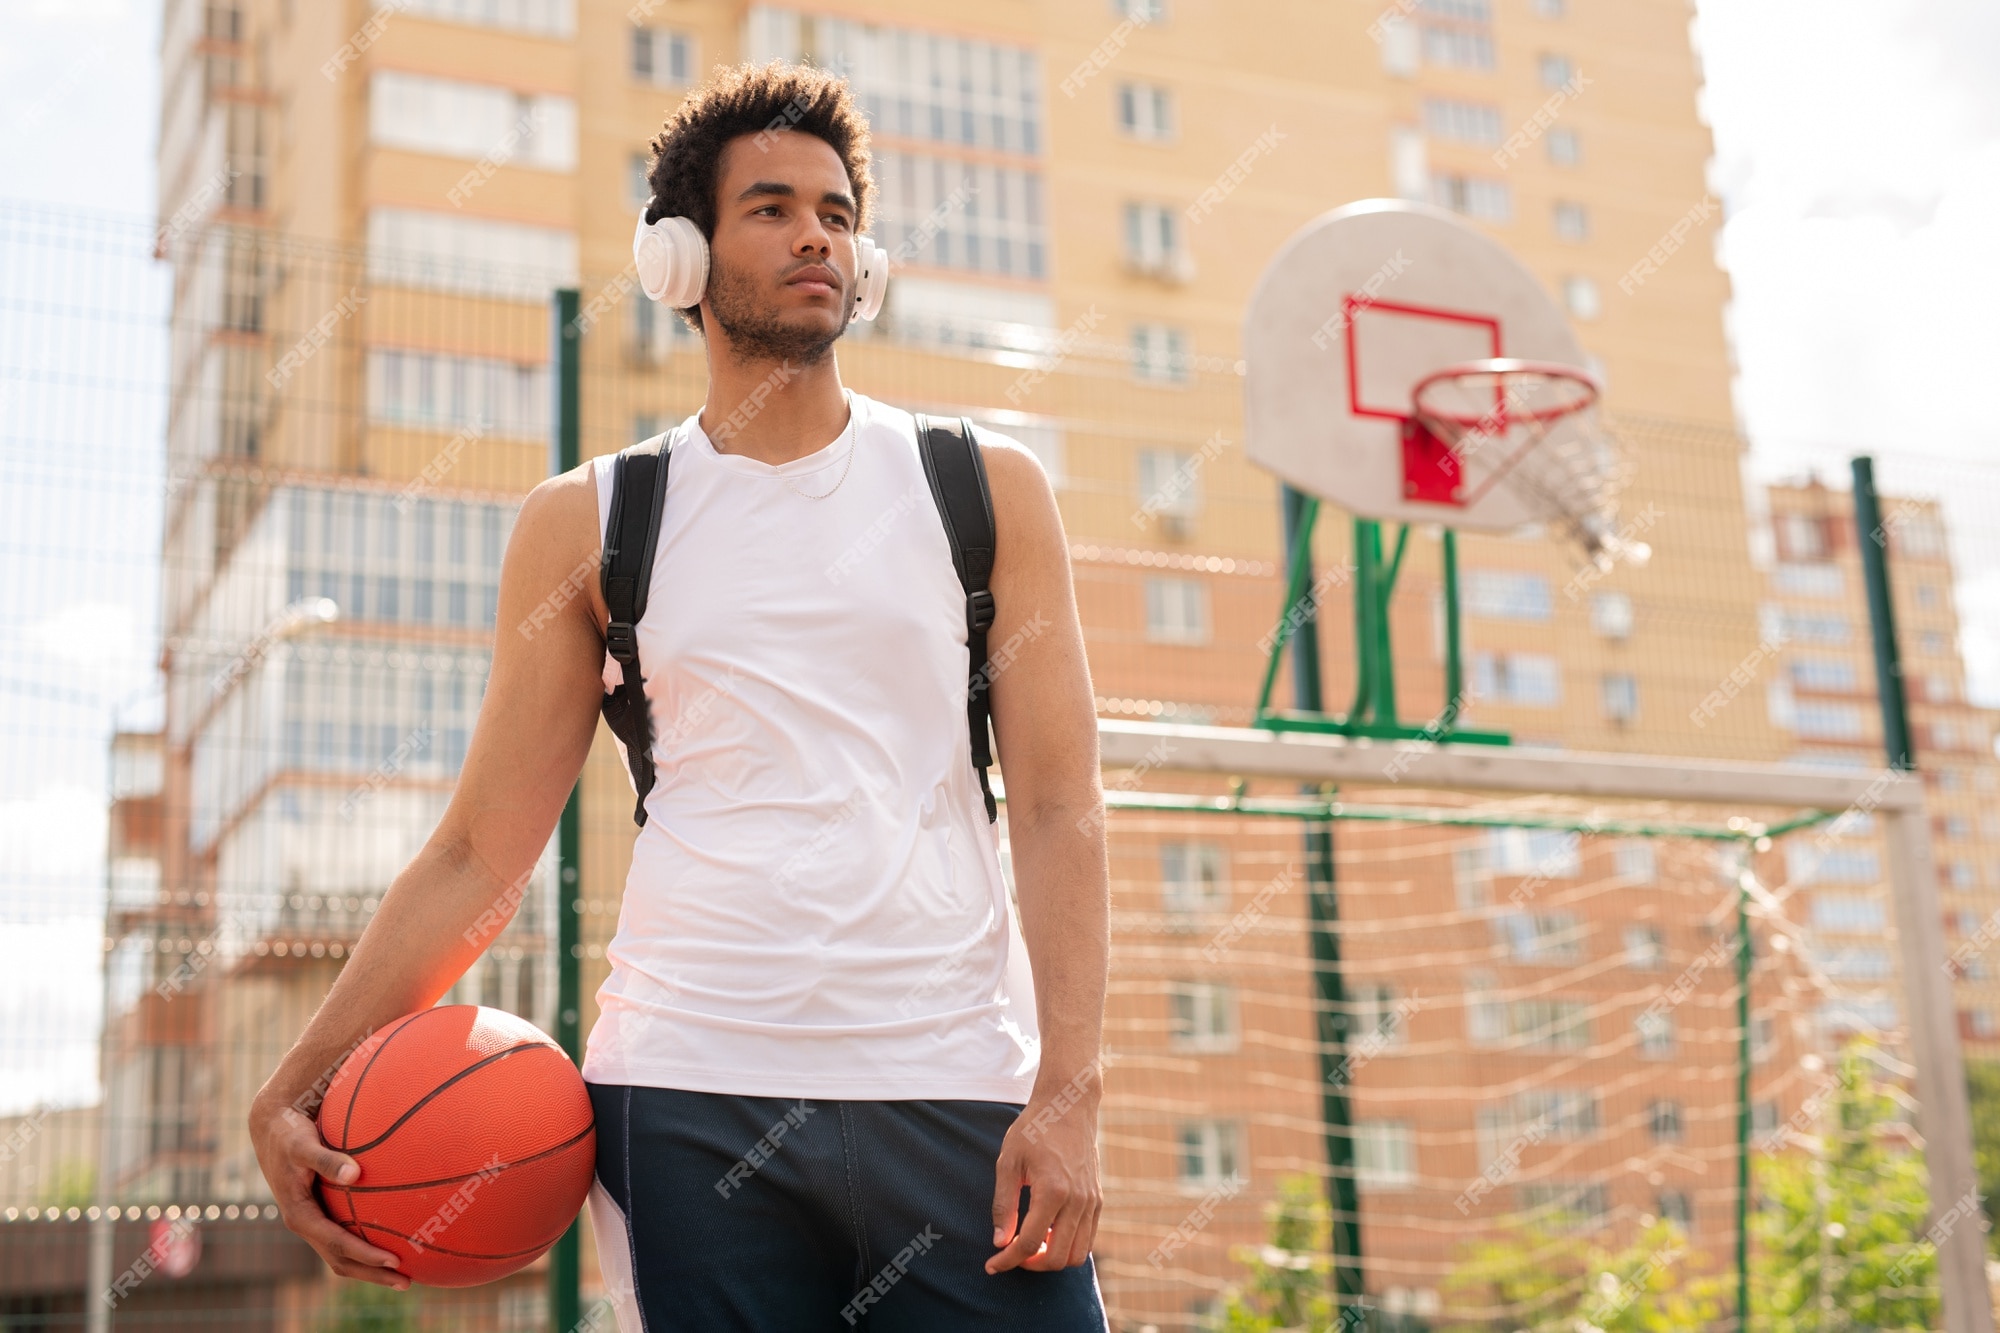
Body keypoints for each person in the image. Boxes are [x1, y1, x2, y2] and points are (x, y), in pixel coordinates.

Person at [248, 61, 1112, 1331]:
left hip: (956, 1085)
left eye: (835, 211)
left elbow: (1054, 804)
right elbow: (482, 850)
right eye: (770, 206)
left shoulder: (981, 487)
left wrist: (1071, 1090)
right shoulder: (593, 520)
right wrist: (298, 1079)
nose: (815, 231)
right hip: (688, 1096)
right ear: (677, 258)